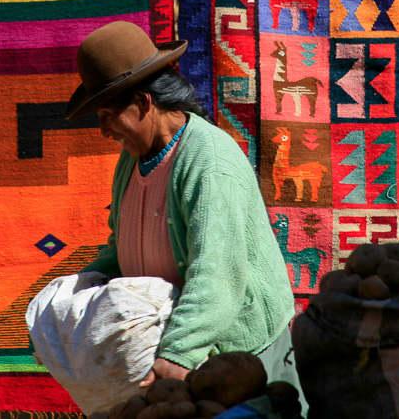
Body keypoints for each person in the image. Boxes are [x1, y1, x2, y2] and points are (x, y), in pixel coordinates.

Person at [65, 20, 301, 401]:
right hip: (185, 346)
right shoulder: (132, 160)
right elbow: (119, 242)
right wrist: (77, 296)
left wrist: (178, 352)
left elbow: (217, 270)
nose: (104, 131)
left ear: (143, 103)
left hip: (237, 354)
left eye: (108, 115)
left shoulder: (208, 160)